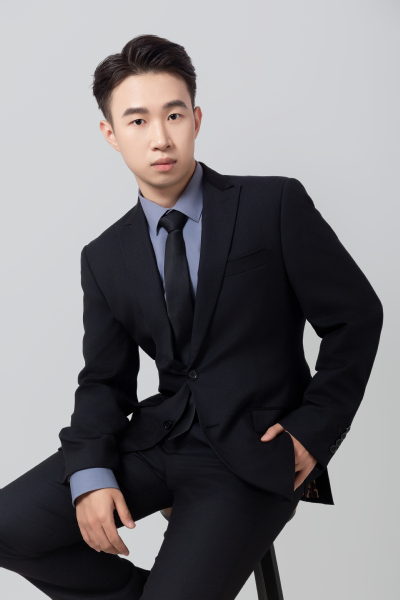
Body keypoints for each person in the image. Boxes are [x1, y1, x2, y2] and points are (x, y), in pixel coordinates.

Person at [0, 34, 383, 600]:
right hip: (156, 443)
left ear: (196, 120)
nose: (160, 137)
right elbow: (103, 382)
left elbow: (357, 317)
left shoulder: (272, 205)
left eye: (174, 115)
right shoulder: (104, 256)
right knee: (8, 528)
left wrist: (313, 430)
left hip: (253, 453)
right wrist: (90, 474)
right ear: (110, 133)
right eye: (137, 121)